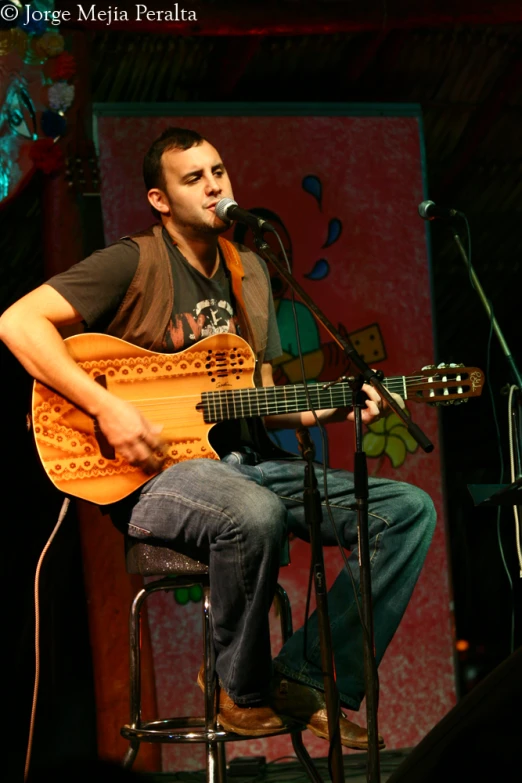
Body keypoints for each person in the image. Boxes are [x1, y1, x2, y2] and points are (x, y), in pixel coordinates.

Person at [0, 127, 436, 747]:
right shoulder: (134, 261)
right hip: (157, 478)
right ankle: (238, 686)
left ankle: (309, 675)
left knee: (406, 510)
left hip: (242, 460)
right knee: (251, 512)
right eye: (194, 178)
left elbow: (259, 402)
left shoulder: (252, 273)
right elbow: (18, 322)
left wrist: (337, 408)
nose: (214, 187)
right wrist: (108, 409)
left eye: (219, 173)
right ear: (159, 199)